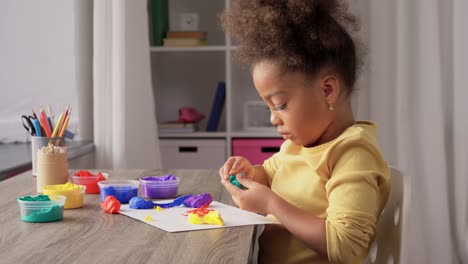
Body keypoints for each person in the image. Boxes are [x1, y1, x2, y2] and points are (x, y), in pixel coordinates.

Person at [218, 1, 390, 263]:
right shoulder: (298, 145)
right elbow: (272, 176)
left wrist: (270, 204)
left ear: (327, 90)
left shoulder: (352, 153)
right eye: (270, 108)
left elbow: (347, 247)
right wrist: (250, 174)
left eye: (281, 105)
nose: (274, 118)